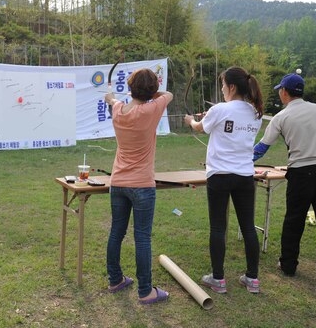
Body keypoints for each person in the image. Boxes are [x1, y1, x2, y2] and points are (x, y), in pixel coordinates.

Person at [253, 73, 316, 287]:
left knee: (294, 221)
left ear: (284, 92)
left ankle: (288, 265)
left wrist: (239, 160)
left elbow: (261, 148)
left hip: (301, 175)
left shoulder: (281, 117)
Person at [184, 67, 264, 294]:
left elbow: (200, 127)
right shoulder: (255, 112)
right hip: (245, 176)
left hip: (219, 175)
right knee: (248, 226)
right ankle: (252, 278)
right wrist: (208, 118)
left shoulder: (220, 109)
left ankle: (218, 279)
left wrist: (191, 120)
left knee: (218, 227)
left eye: (222, 85)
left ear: (232, 87)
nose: (221, 89)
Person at [104, 68, 173, 305]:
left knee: (116, 232)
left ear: (131, 89)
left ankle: (115, 280)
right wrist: (152, 92)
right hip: (142, 184)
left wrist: (113, 97)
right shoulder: (152, 107)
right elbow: (169, 94)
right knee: (142, 237)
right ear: (152, 91)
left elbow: (113, 100)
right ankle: (146, 292)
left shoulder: (118, 109)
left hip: (118, 182)